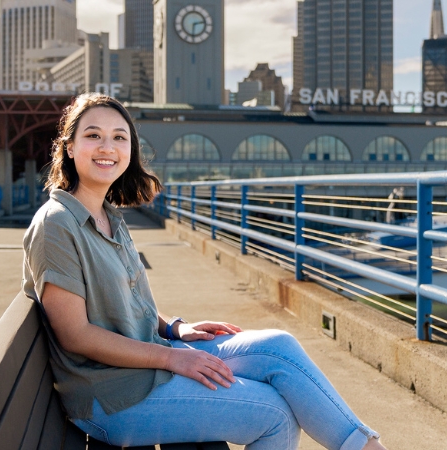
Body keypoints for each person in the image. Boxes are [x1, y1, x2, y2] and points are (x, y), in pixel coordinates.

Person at [21, 92, 386, 450]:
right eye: (93, 135)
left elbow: (126, 305)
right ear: (69, 147)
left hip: (148, 360)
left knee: (279, 347)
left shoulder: (110, 218)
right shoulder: (56, 224)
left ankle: (366, 445)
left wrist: (175, 328)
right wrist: (172, 356)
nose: (107, 147)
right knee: (274, 413)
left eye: (120, 137)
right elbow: (76, 335)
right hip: (111, 396)